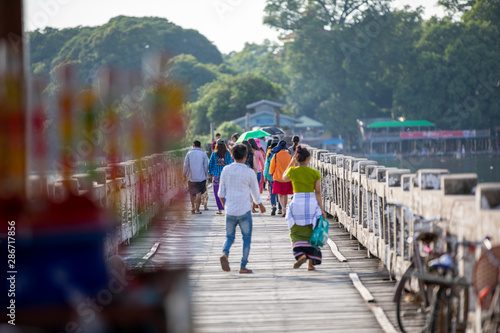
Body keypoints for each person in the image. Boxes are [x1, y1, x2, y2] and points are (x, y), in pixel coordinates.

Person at [218, 144, 266, 274]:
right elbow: (255, 192)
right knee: (246, 238)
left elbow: (221, 193)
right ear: (246, 156)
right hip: (245, 210)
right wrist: (260, 205)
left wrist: (225, 206)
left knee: (229, 237)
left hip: (230, 210)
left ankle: (225, 253)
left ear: (232, 156)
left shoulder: (226, 170)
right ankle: (243, 266)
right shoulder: (249, 172)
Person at [282, 145, 325, 271]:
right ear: (308, 159)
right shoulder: (314, 173)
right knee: (311, 231)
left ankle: (300, 255)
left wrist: (291, 162)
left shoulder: (293, 171)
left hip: (297, 203)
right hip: (311, 204)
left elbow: (284, 177)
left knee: (295, 231)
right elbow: (318, 192)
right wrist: (321, 209)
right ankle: (310, 263)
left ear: (297, 158)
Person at [208, 138, 233, 215]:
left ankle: (220, 209)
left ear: (217, 145)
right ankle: (226, 207)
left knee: (217, 192)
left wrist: (210, 174)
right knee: (226, 192)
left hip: (216, 176)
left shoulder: (214, 154)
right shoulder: (228, 154)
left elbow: (210, 165)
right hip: (226, 176)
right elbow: (231, 164)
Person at [183, 140, 209, 214]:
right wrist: (205, 174)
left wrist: (184, 175)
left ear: (193, 145)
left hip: (191, 177)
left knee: (191, 193)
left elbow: (186, 165)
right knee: (199, 193)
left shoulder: (189, 153)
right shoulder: (203, 154)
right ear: (200, 146)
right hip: (201, 177)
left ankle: (192, 207)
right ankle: (197, 209)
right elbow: (206, 166)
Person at [269, 140, 293, 217]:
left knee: (280, 194)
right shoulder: (289, 156)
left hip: (278, 177)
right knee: (285, 194)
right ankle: (284, 208)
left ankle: (282, 208)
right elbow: (293, 167)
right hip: (287, 177)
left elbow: (272, 168)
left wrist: (271, 173)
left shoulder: (275, 156)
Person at [263, 139, 282, 216]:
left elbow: (266, 166)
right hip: (280, 176)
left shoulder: (269, 154)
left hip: (271, 176)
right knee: (281, 192)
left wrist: (265, 176)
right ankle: (280, 209)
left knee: (272, 192)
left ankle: (273, 206)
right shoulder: (282, 154)